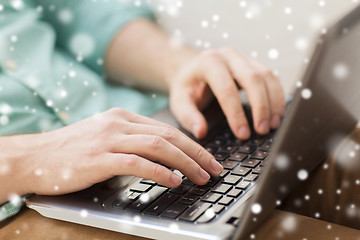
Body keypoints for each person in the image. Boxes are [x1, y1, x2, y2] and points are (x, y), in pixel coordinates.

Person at [0, 0, 285, 220]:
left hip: (155, 127)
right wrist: (32, 158)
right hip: (22, 211)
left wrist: (178, 66)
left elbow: (82, 14)